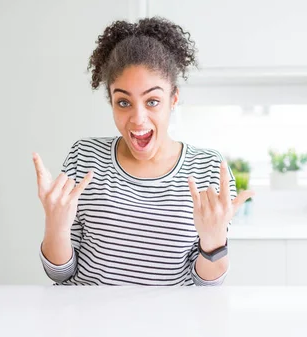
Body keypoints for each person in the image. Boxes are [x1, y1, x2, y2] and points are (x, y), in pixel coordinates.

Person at [32, 17, 253, 286]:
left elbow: (207, 285)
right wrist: (55, 225)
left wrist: (214, 241)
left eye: (152, 101)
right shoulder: (85, 156)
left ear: (173, 100)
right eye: (123, 102)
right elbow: (60, 274)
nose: (138, 118)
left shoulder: (208, 168)